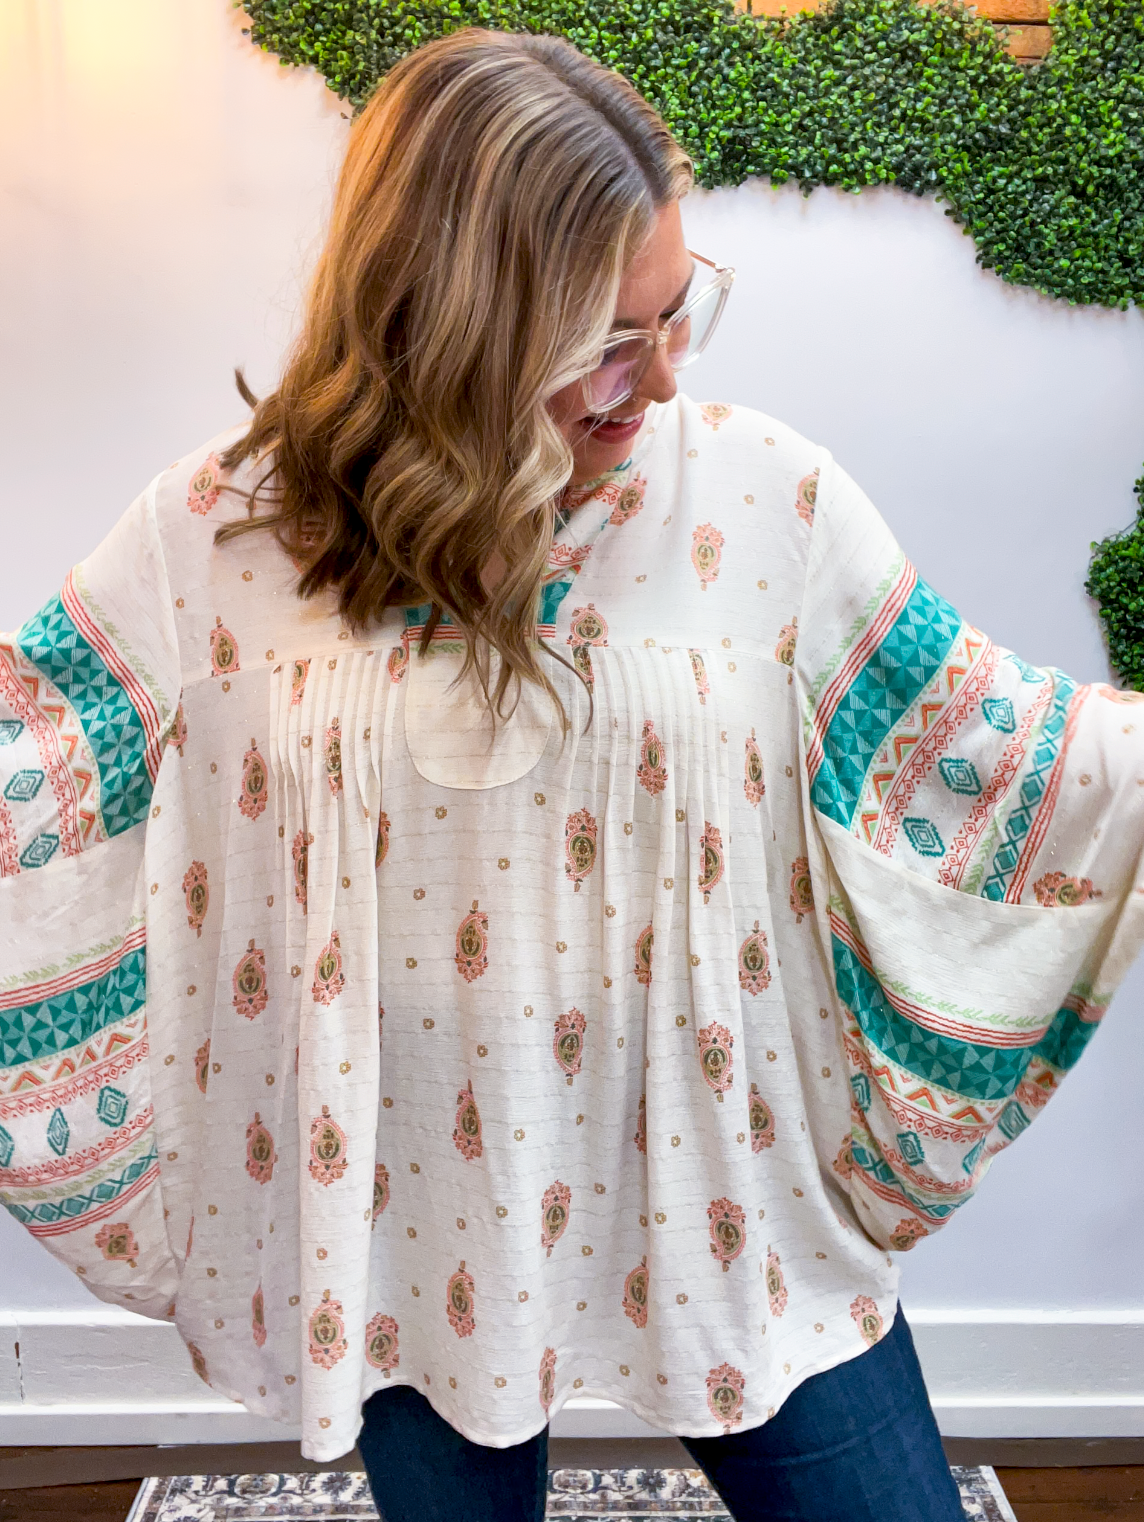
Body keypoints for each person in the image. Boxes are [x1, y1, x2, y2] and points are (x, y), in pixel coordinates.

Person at [1, 27, 1141, 1522]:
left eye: (678, 315)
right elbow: (32, 765)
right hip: (405, 1193)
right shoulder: (222, 535)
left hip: (723, 1166)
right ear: (448, 323)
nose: (659, 380)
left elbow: (988, 749)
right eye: (606, 341)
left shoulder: (763, 497)